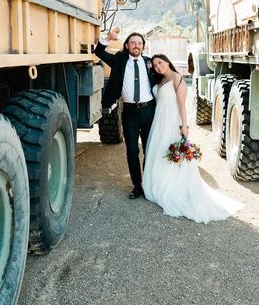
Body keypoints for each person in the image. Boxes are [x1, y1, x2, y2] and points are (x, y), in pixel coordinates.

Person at [143, 54, 243, 223]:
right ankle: (156, 183)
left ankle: (173, 188)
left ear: (167, 61)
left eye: (160, 63)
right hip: (158, 121)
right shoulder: (159, 80)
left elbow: (182, 105)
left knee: (170, 154)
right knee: (157, 151)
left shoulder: (177, 78)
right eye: (155, 65)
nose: (158, 67)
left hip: (171, 121)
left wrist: (184, 126)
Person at [95, 31, 156, 199]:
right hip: (130, 112)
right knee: (132, 150)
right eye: (133, 42)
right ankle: (137, 186)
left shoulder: (150, 63)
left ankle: (150, 184)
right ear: (127, 46)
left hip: (149, 111)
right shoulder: (119, 60)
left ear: (143, 46)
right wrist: (107, 39)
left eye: (139, 43)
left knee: (150, 148)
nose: (136, 45)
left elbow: (165, 76)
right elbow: (99, 52)